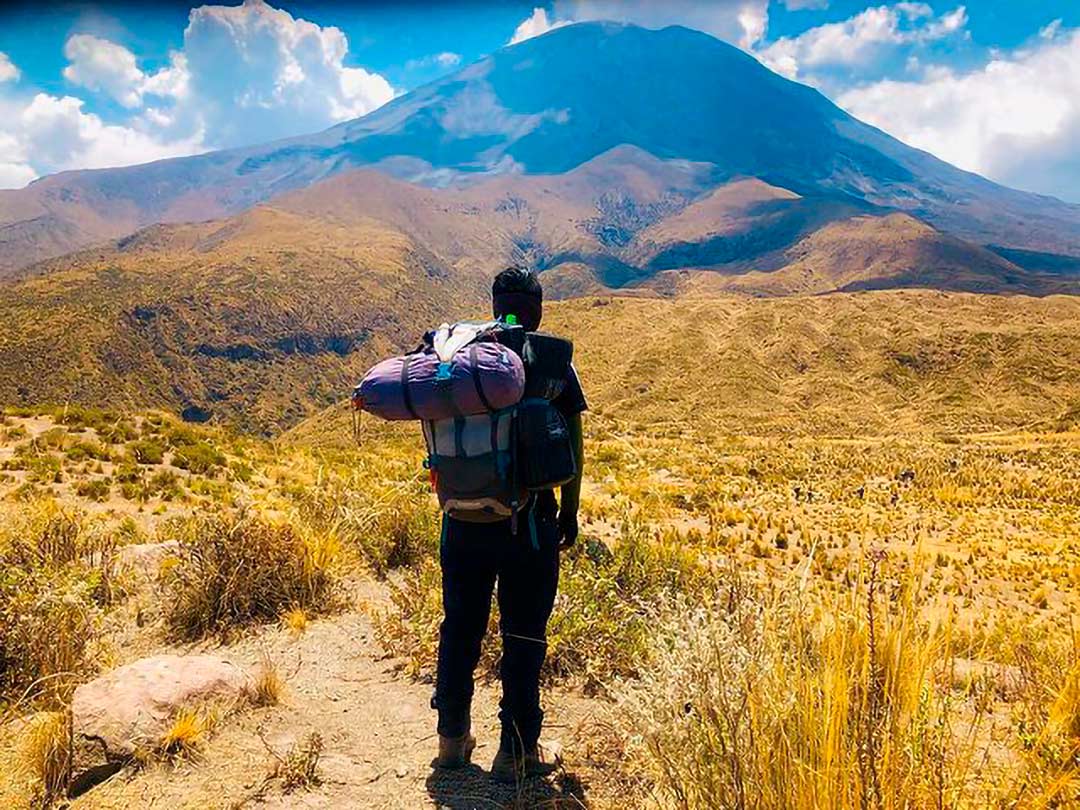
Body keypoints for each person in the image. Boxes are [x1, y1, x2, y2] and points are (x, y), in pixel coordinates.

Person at [433, 266, 586, 783]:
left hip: (461, 524)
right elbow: (573, 443)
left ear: (495, 302)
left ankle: (452, 742)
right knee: (523, 636)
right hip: (530, 528)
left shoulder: (460, 357)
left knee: (460, 628)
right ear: (538, 308)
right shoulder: (550, 361)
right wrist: (569, 509)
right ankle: (516, 751)